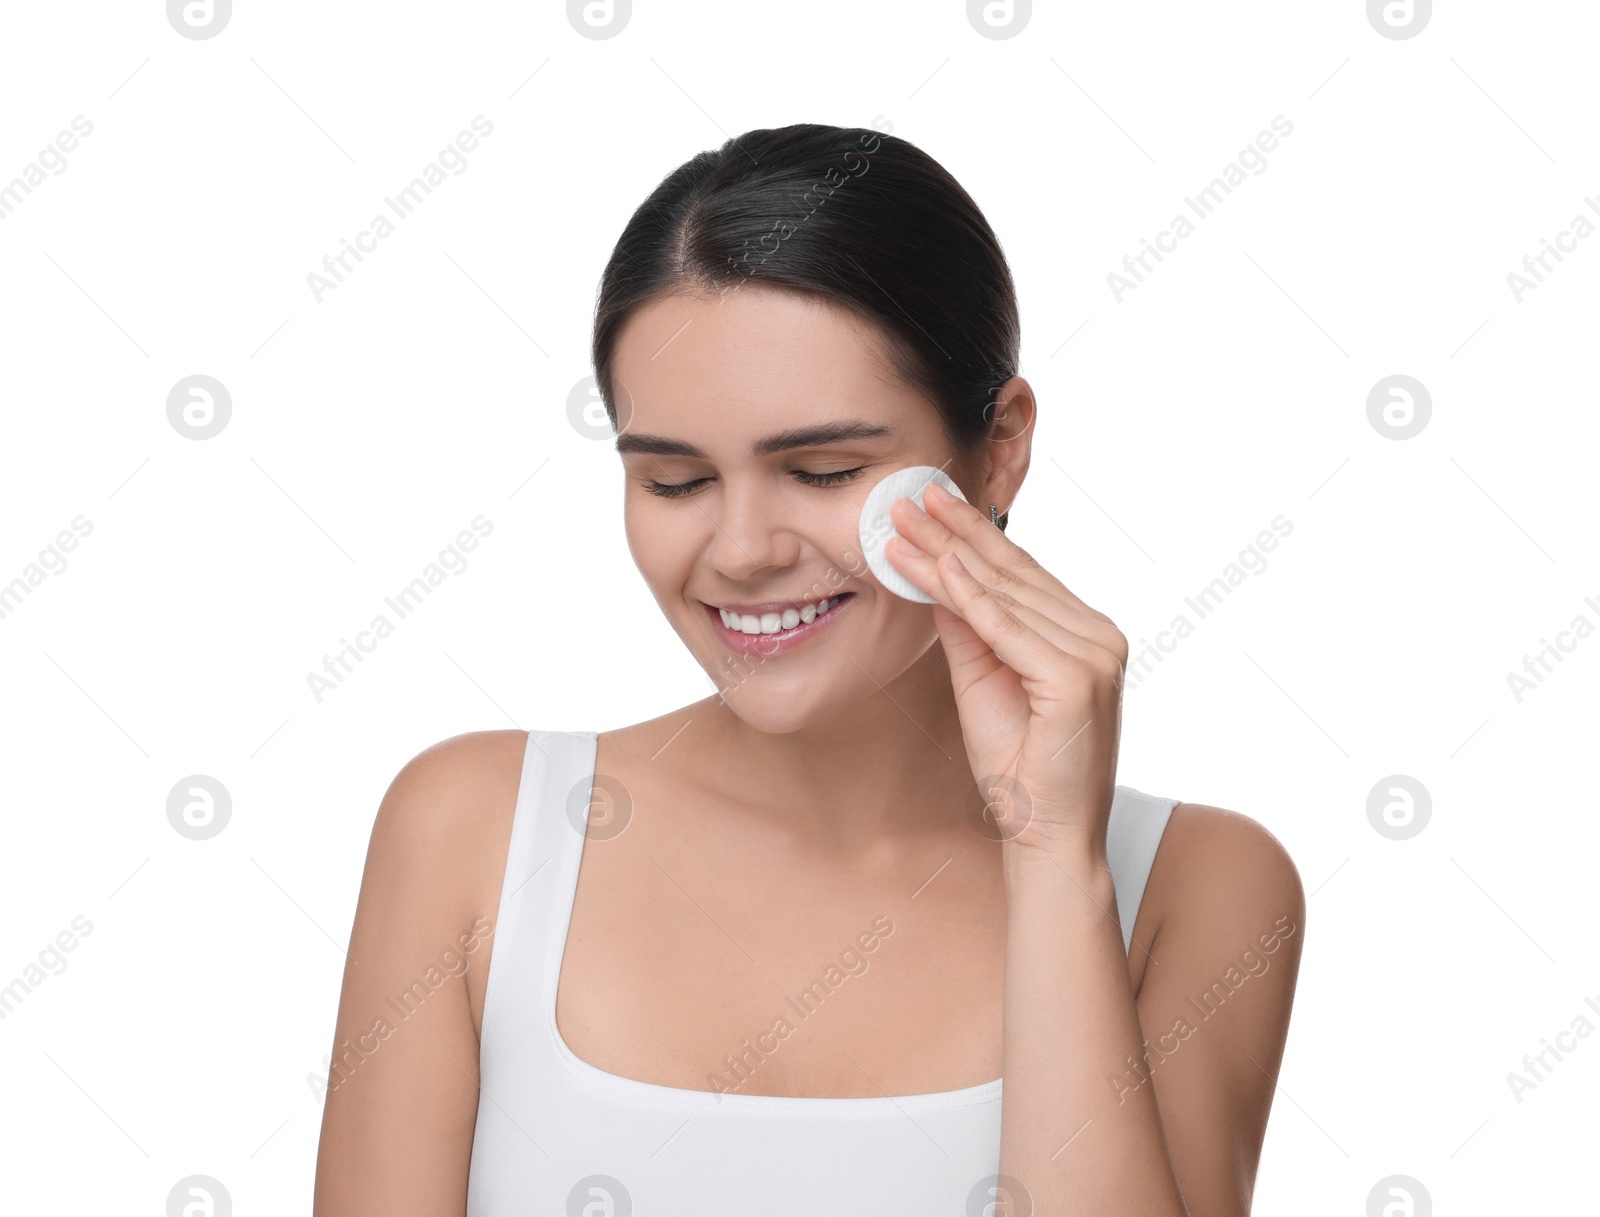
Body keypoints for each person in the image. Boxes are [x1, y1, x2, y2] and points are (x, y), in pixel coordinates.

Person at [313, 122, 1305, 1217]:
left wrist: (1050, 855)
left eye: (823, 469)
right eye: (677, 482)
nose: (740, 550)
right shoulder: (471, 831)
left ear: (1000, 444)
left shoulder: (1198, 885)